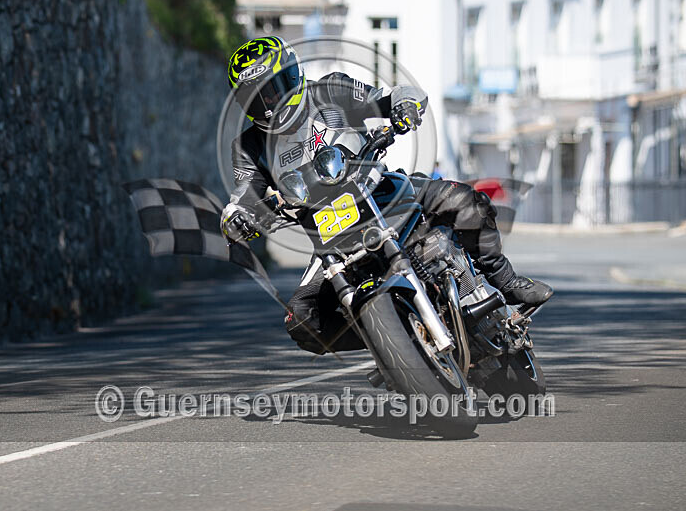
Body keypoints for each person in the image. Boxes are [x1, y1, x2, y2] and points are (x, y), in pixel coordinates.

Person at [220, 36, 552, 354]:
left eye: (273, 89)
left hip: (381, 190)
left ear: (293, 74)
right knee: (303, 321)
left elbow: (391, 96)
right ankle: (395, 342)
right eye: (256, 97)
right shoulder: (249, 147)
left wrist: (403, 105)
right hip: (328, 233)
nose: (269, 102)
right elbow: (244, 193)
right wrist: (237, 216)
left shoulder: (329, 92)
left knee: (466, 203)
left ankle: (506, 282)